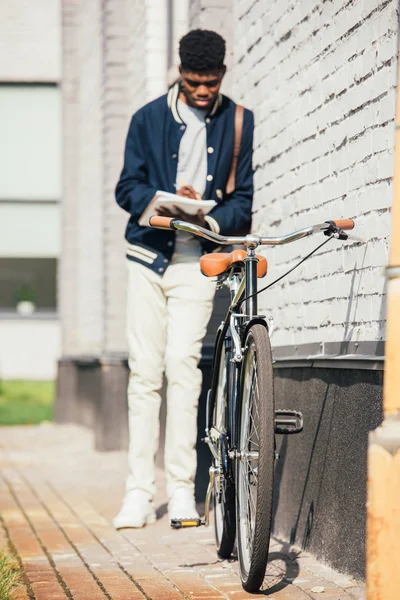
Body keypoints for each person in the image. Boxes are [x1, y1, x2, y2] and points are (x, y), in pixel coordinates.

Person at [113, 29, 254, 529]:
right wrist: (164, 200)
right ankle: (137, 491)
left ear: (222, 74)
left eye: (210, 81)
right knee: (145, 373)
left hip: (197, 262)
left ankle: (180, 491)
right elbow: (126, 187)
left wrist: (207, 215)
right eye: (194, 81)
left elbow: (244, 200)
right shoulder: (146, 119)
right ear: (180, 72)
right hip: (147, 258)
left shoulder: (239, 122)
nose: (202, 90)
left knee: (184, 368)